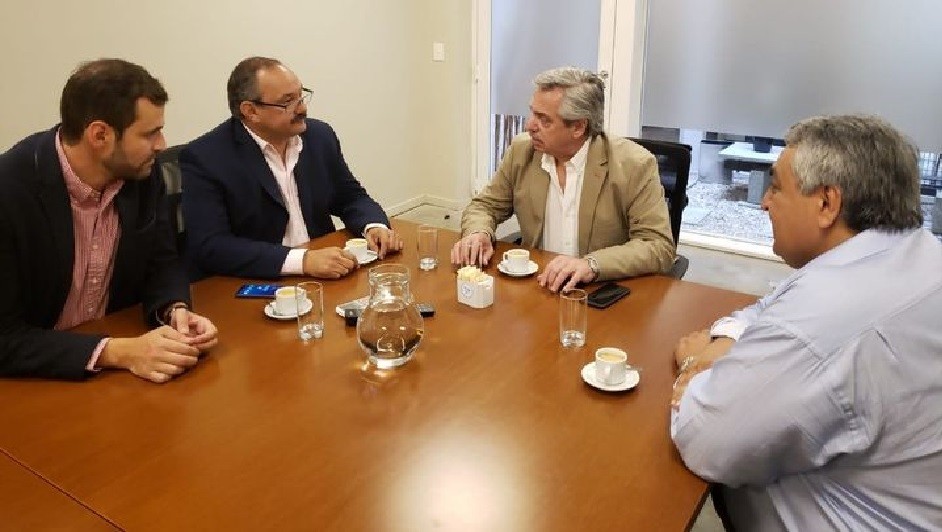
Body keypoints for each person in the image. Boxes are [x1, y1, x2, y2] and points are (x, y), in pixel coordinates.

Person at [670, 115, 942, 530]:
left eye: (777, 187)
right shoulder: (910, 252)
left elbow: (704, 439)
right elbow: (768, 307)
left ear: (827, 204)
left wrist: (694, 364)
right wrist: (723, 342)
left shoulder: (829, 315)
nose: (764, 203)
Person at [0, 59, 218, 383]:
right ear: (100, 135)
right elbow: (5, 338)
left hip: (114, 371)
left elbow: (161, 261)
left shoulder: (142, 174)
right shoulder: (10, 192)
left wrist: (174, 311)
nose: (162, 145)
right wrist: (114, 352)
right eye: (150, 133)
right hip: (34, 380)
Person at [450, 67, 674, 292]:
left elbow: (657, 246)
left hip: (599, 290)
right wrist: (479, 232)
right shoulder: (522, 151)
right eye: (533, 113)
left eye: (544, 120)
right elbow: (485, 206)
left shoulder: (634, 164)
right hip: (540, 285)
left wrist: (592, 264)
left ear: (578, 127)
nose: (529, 126)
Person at [180, 57, 402, 280]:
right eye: (287, 102)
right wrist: (302, 261)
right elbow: (212, 245)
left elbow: (350, 197)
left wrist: (373, 226)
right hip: (259, 279)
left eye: (301, 96)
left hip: (326, 271)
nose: (302, 108)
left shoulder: (319, 136)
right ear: (251, 111)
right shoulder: (206, 157)